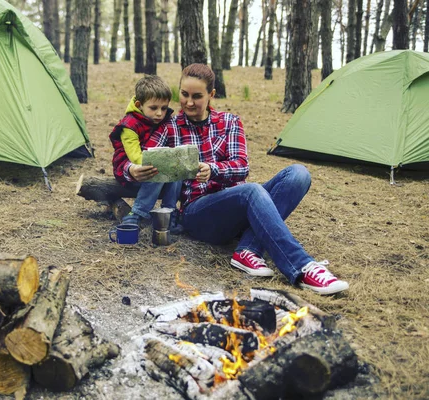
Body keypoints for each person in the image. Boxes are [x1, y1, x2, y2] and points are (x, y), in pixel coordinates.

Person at [130, 63, 348, 295]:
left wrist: (213, 169)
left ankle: (247, 250)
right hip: (198, 214)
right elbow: (146, 159)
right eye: (184, 95)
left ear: (211, 95)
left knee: (298, 174)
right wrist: (132, 169)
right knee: (251, 191)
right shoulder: (169, 127)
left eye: (197, 96)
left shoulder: (230, 122)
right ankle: (302, 266)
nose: (189, 102)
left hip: (238, 206)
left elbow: (241, 166)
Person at [110, 75, 183, 233]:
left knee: (176, 171)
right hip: (129, 168)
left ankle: (169, 212)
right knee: (157, 170)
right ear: (139, 104)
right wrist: (161, 163)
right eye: (154, 108)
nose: (159, 113)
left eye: (164, 108)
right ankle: (137, 213)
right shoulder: (129, 125)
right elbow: (135, 157)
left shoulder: (163, 121)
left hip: (152, 165)